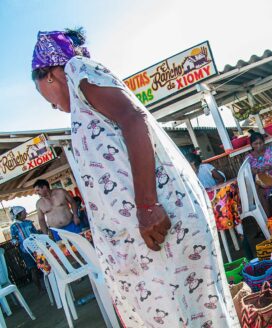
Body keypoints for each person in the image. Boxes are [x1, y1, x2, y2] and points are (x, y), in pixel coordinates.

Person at [31, 29, 238, 327]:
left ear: (49, 73)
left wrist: (147, 206)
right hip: (149, 239)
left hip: (158, 225)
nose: (51, 105)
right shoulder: (81, 98)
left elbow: (132, 119)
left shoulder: (77, 69)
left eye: (43, 94)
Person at [245, 131, 272, 216]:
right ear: (251, 145)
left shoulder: (271, 150)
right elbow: (248, 172)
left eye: (260, 143)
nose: (258, 145)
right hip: (261, 181)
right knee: (258, 187)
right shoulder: (249, 158)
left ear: (264, 142)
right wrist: (256, 171)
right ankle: (267, 218)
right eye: (255, 144)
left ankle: (267, 218)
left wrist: (271, 167)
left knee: (259, 190)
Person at [9, 206, 42, 290]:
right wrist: (14, 242)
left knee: (43, 265)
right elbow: (14, 239)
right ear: (19, 214)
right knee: (33, 269)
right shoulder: (13, 227)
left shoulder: (29, 222)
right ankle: (40, 289)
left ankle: (50, 282)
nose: (26, 213)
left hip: (36, 248)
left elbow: (36, 234)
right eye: (24, 212)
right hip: (25, 251)